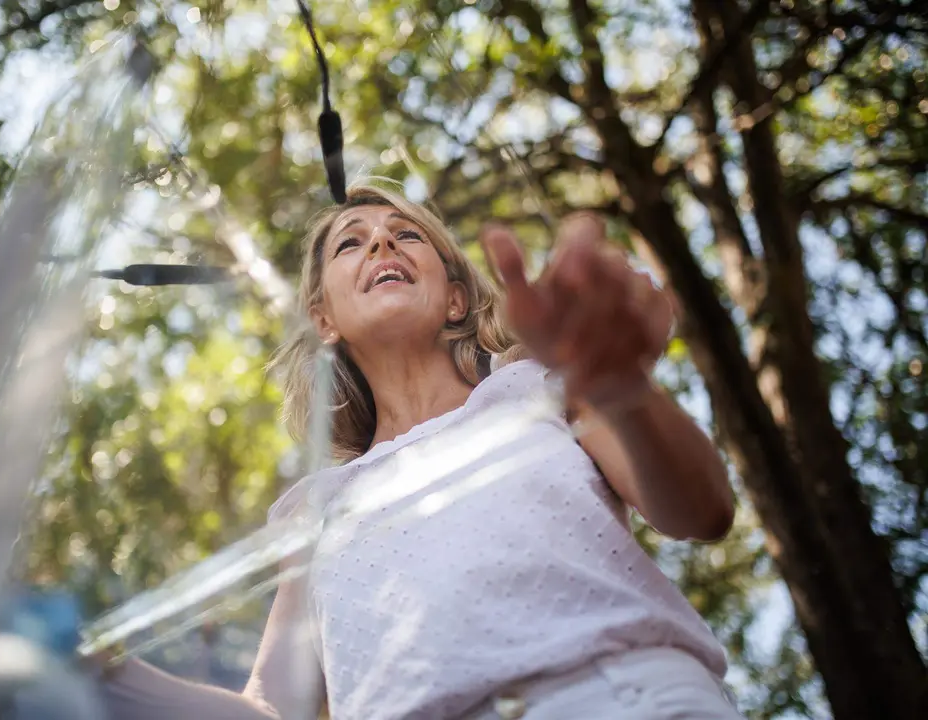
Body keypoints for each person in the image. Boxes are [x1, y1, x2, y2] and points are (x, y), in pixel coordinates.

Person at [98, 182, 741, 720]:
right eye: (351, 242)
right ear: (325, 322)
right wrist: (100, 679)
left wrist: (620, 385)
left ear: (456, 297)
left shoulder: (538, 390)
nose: (381, 242)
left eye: (406, 234)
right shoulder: (314, 510)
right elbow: (274, 708)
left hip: (619, 700)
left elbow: (702, 511)